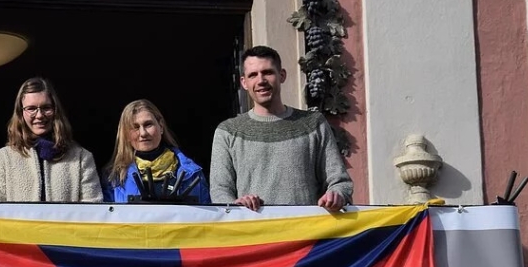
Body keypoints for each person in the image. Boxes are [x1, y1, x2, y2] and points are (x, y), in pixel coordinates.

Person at [210, 45, 352, 211]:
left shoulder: (313, 124)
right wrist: (236, 206)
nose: (261, 80)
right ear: (244, 82)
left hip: (306, 232)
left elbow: (339, 182)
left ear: (282, 75)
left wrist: (335, 195)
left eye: (268, 72)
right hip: (253, 233)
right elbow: (220, 191)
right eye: (253, 75)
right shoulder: (227, 131)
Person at [0, 78, 104, 203]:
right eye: (31, 108)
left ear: (56, 110)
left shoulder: (81, 158)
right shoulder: (2, 159)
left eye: (46, 107)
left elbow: (92, 212)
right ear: (21, 112)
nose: (39, 115)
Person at [104, 99, 211, 204]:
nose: (143, 133)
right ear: (126, 135)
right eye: (135, 127)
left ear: (161, 126)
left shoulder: (193, 174)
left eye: (148, 124)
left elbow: (208, 217)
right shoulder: (113, 178)